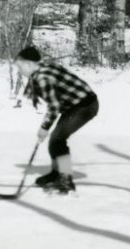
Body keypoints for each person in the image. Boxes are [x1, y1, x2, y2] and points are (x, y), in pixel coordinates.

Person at [14, 46, 99, 194]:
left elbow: (54, 106)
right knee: (55, 140)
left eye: (20, 66)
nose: (19, 71)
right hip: (74, 105)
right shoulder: (41, 71)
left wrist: (44, 128)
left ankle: (66, 180)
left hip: (85, 105)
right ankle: (56, 173)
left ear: (29, 64)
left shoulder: (43, 77)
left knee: (58, 140)